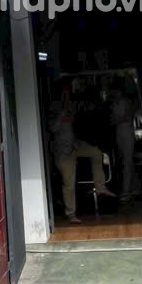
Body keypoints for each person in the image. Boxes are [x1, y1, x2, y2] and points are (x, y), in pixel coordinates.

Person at [48, 83, 115, 223]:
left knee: (96, 153)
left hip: (75, 146)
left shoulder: (71, 107)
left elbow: (76, 124)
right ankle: (71, 214)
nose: (67, 96)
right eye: (64, 93)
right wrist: (61, 116)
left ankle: (100, 187)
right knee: (69, 182)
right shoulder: (54, 108)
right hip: (63, 152)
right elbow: (52, 129)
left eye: (68, 93)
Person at [111, 83, 137, 204]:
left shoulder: (127, 102)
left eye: (115, 90)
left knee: (127, 161)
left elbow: (127, 116)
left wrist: (116, 120)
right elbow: (113, 118)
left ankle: (126, 191)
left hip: (127, 131)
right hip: (119, 131)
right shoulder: (114, 103)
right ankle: (135, 187)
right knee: (126, 161)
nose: (114, 93)